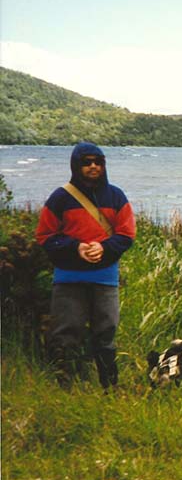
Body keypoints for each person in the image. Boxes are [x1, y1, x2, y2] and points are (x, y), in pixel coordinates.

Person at [35, 142, 136, 389]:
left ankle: (109, 388)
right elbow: (45, 235)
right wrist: (76, 248)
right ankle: (62, 387)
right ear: (76, 165)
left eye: (97, 162)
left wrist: (104, 247)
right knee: (66, 333)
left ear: (103, 165)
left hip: (105, 277)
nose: (93, 166)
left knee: (106, 332)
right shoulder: (60, 198)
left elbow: (127, 234)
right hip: (69, 278)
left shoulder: (116, 196)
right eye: (86, 162)